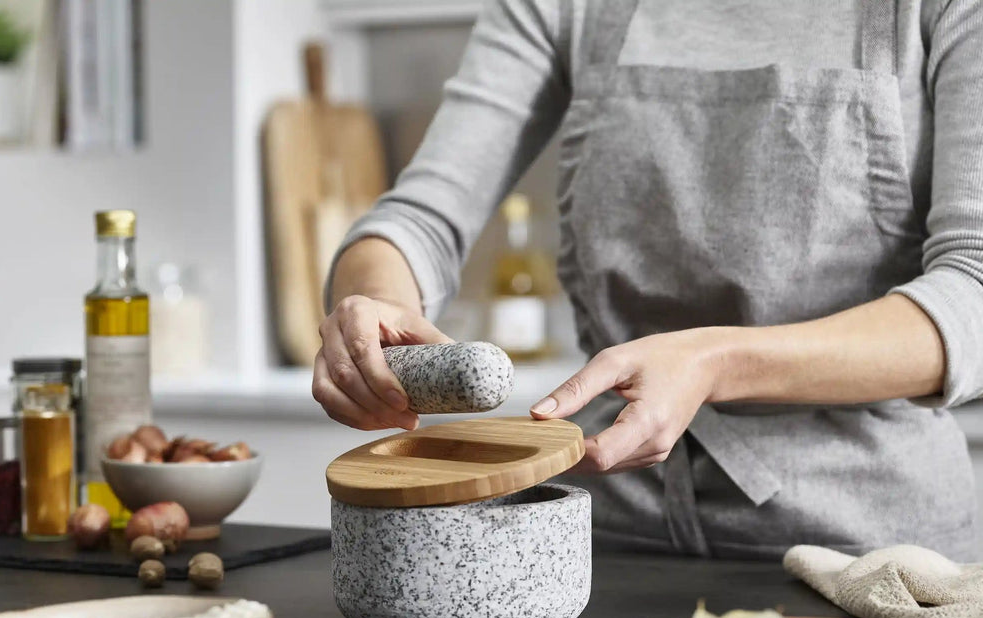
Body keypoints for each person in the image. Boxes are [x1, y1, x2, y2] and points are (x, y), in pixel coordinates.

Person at [313, 0, 983, 561]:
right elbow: (419, 218)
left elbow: (972, 290)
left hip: (872, 550)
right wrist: (375, 302)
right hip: (599, 532)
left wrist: (716, 364)